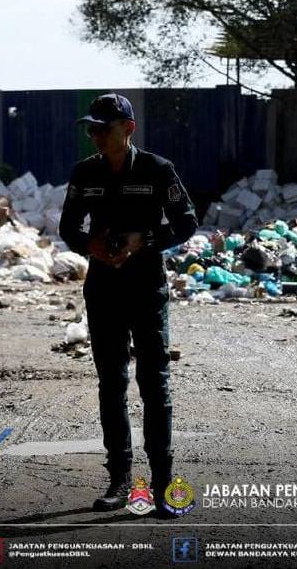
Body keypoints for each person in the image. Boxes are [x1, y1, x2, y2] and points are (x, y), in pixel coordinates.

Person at [59, 94, 198, 516]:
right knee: (111, 383)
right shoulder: (85, 172)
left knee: (154, 382)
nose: (96, 135)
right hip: (104, 286)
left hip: (145, 285)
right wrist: (92, 246)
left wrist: (144, 240)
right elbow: (68, 226)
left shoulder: (158, 169)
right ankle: (119, 479)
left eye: (104, 127)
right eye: (92, 128)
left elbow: (186, 222)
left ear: (128, 128)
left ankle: (162, 483)